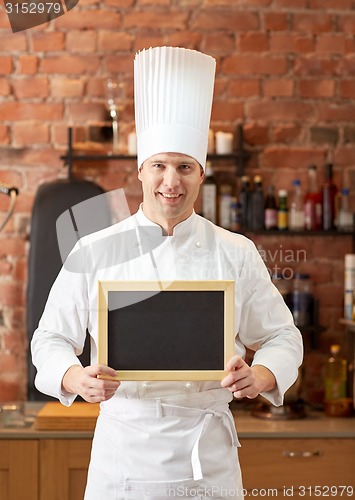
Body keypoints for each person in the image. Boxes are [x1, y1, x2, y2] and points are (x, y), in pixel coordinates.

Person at [31, 47, 303, 500]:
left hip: (207, 458)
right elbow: (49, 340)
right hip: (124, 458)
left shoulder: (235, 251)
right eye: (159, 165)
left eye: (184, 167)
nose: (170, 181)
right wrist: (74, 379)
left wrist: (262, 376)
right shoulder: (94, 250)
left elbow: (283, 337)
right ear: (140, 171)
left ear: (201, 174)